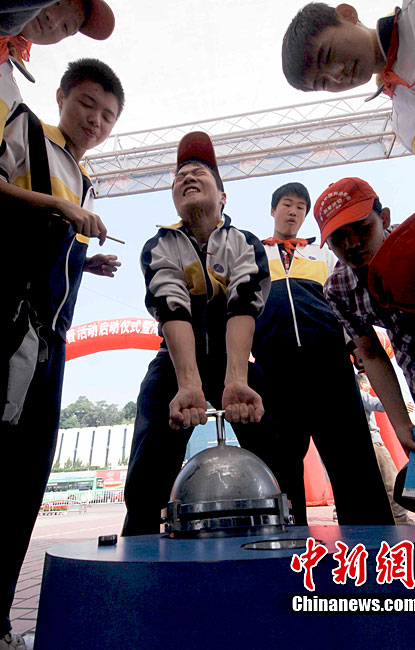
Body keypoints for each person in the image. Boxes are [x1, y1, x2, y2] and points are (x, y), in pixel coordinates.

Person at [0, 57, 124, 650]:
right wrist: (59, 209)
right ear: (60, 97)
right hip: (13, 328)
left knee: (27, 478)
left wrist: (84, 261)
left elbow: (51, 249)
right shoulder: (24, 128)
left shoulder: (83, 175)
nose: (95, 120)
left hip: (53, 341)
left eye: (108, 115)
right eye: (87, 104)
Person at [122, 131, 271, 536]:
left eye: (199, 172)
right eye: (180, 175)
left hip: (234, 360)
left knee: (277, 445)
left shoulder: (246, 243)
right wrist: (189, 384)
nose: (187, 177)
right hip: (174, 361)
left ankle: (289, 542)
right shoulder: (159, 245)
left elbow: (243, 304)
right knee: (149, 466)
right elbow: (172, 307)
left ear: (223, 196)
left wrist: (236, 380)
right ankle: (139, 546)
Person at [230, 181, 394, 526]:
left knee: (353, 458)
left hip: (330, 367)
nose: (293, 212)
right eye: (287, 204)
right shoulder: (253, 254)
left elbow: (345, 304)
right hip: (274, 372)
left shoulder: (324, 253)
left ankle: (372, 541)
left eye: (300, 208)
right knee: (280, 466)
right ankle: (283, 544)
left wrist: (354, 348)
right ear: (272, 210)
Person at [313, 176, 415, 457]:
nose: (352, 244)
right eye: (338, 238)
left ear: (384, 218)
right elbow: (372, 354)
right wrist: (401, 424)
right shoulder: (338, 289)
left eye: (362, 229)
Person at [282, 2, 415, 171]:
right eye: (323, 82)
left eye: (329, 54)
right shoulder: (406, 128)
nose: (337, 75)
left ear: (347, 14)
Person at [354, 369, 415, 525]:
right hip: (374, 444)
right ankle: (400, 517)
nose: (369, 389)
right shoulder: (361, 394)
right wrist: (399, 405)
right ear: (362, 384)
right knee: (391, 479)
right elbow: (377, 404)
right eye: (368, 385)